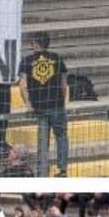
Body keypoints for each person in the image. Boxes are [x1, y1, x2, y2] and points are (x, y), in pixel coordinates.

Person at [20, 31, 72, 177]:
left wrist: (28, 104)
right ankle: (62, 170)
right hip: (56, 105)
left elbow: (23, 85)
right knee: (61, 137)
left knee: (43, 140)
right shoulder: (57, 58)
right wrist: (61, 102)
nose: (31, 45)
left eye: (32, 43)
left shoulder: (27, 60)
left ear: (36, 44)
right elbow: (64, 84)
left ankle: (43, 171)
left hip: (39, 107)